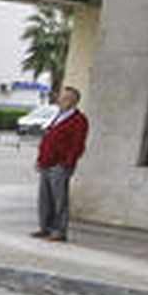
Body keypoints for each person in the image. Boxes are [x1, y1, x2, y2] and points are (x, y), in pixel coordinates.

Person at [33, 85, 88, 242]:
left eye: (64, 98)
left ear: (73, 101)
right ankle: (45, 227)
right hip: (46, 163)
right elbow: (48, 138)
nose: (59, 100)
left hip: (60, 165)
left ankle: (59, 230)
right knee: (44, 198)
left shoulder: (79, 120)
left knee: (59, 199)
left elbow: (77, 145)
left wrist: (66, 164)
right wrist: (40, 159)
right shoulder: (59, 115)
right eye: (60, 97)